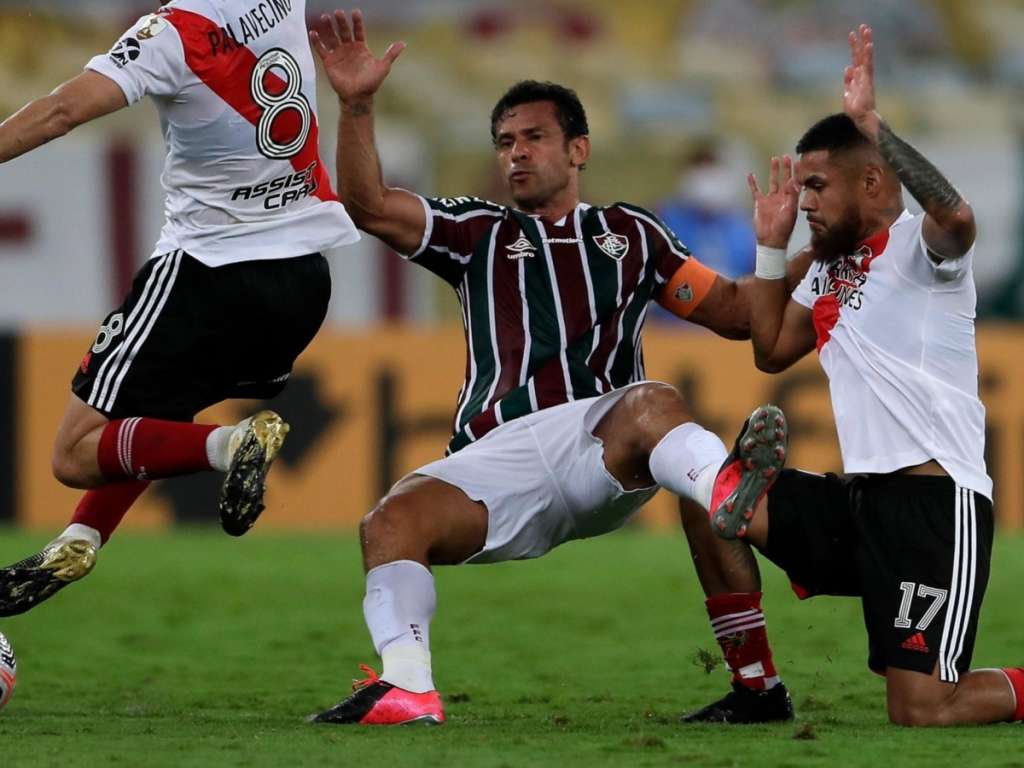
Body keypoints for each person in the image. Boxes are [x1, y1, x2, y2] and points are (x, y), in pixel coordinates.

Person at [304, 10, 797, 727]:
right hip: (498, 458)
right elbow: (368, 205)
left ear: (578, 149)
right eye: (505, 142)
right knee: (389, 523)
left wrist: (781, 254)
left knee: (658, 408)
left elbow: (734, 311)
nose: (516, 154)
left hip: (598, 446)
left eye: (534, 138)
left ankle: (757, 685)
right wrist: (355, 104)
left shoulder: (631, 235)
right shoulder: (477, 233)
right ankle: (408, 687)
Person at [0, 0, 359, 615]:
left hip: (208, 274)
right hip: (303, 281)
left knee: (75, 452)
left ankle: (232, 444)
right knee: (154, 419)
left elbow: (62, 111)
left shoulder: (168, 35)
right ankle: (81, 538)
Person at [711, 25, 1024, 725]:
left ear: (874, 180)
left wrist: (874, 127)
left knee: (922, 710)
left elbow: (958, 214)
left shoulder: (922, 250)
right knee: (712, 492)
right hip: (859, 504)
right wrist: (769, 244)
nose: (807, 201)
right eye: (802, 187)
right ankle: (755, 688)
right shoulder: (824, 264)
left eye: (817, 185)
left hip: (934, 509)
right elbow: (770, 349)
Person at [657, 141, 755, 280]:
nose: (707, 183)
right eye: (701, 171)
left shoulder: (741, 224)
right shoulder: (665, 219)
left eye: (712, 172)